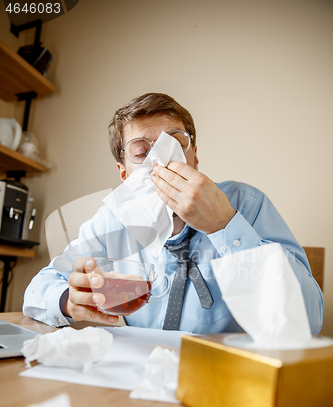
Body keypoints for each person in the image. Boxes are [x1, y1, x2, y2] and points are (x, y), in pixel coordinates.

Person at [23, 93, 323, 334]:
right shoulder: (112, 220)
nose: (160, 161)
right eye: (141, 153)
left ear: (194, 155)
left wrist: (223, 225)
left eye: (176, 144)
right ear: (124, 173)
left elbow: (307, 319)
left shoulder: (246, 203)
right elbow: (40, 288)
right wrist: (67, 301)